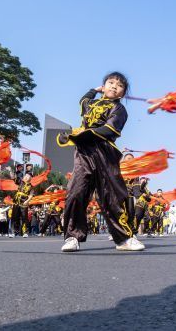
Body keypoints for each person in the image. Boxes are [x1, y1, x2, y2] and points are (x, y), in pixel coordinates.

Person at [57, 73, 143, 252]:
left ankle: (124, 238)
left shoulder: (119, 109)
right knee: (75, 193)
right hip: (84, 153)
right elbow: (83, 100)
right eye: (110, 83)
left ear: (122, 93)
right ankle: (72, 237)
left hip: (105, 153)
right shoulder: (92, 104)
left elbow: (108, 129)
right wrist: (93, 91)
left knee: (111, 197)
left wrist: (80, 135)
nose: (113, 86)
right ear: (103, 86)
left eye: (119, 86)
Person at [10, 169, 34, 238]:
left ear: (30, 178)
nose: (26, 177)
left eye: (28, 176)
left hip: (24, 203)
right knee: (14, 217)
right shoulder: (20, 182)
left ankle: (25, 232)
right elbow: (13, 178)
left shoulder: (31, 186)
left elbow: (31, 195)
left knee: (24, 217)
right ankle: (14, 232)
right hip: (16, 202)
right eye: (26, 175)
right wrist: (10, 171)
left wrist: (27, 201)